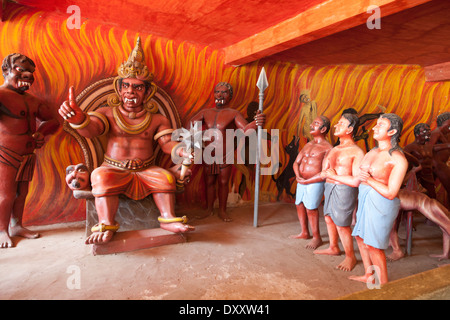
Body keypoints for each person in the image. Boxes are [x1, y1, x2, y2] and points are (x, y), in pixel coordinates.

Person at [59, 38, 194, 244]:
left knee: (165, 178)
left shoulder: (158, 119)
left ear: (148, 92)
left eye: (138, 88)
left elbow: (167, 144)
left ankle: (167, 219)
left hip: (146, 169)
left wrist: (182, 151)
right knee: (100, 177)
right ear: (119, 89)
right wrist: (79, 119)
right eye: (127, 86)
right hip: (114, 168)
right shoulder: (108, 113)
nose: (131, 91)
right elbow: (92, 129)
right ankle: (105, 224)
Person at [0, 53, 60, 248]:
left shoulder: (34, 101)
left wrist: (42, 132)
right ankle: (2, 230)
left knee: (21, 193)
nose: (27, 75)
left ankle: (17, 225)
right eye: (20, 69)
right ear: (6, 71)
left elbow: (52, 120)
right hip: (5, 154)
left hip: (27, 155)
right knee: (5, 194)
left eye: (30, 72)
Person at [189, 82, 265, 222]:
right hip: (208, 153)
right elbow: (192, 123)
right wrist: (199, 135)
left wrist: (256, 122)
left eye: (224, 92)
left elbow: (245, 131)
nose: (220, 94)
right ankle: (209, 209)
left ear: (230, 96)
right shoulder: (206, 112)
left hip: (225, 154)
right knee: (209, 181)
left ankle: (222, 211)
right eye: (217, 91)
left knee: (224, 182)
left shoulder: (233, 113)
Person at [350, 113, 408, 285]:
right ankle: (369, 275)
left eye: (380, 125)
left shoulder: (397, 158)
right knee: (360, 237)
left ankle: (383, 287)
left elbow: (391, 192)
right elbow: (359, 175)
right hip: (365, 198)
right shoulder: (372, 151)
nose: (374, 128)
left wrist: (368, 179)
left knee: (374, 245)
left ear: (392, 131)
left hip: (382, 203)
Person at [314, 113, 364, 271]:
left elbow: (356, 181)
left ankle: (351, 257)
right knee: (328, 218)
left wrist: (336, 176)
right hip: (329, 186)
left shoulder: (357, 152)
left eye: (341, 124)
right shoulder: (334, 149)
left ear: (350, 129)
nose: (336, 126)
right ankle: (333, 247)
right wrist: (322, 174)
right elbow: (325, 171)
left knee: (342, 224)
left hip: (344, 189)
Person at [290, 115, 332, 250]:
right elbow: (296, 162)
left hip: (314, 183)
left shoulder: (328, 148)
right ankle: (304, 232)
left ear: (324, 128)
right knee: (299, 205)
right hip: (301, 181)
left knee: (311, 208)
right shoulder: (308, 144)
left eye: (315, 123)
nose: (311, 125)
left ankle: (316, 237)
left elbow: (324, 172)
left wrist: (308, 180)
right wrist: (298, 176)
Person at [403, 123, 437, 199]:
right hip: (417, 178)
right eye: (424, 131)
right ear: (417, 134)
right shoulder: (410, 147)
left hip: (429, 177)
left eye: (429, 130)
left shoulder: (429, 146)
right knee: (417, 200)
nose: (428, 133)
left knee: (432, 198)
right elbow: (403, 162)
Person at [429, 112, 450, 206]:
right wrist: (447, 145)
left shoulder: (446, 134)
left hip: (440, 164)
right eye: (448, 126)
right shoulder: (436, 133)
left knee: (431, 190)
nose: (449, 128)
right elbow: (429, 147)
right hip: (437, 164)